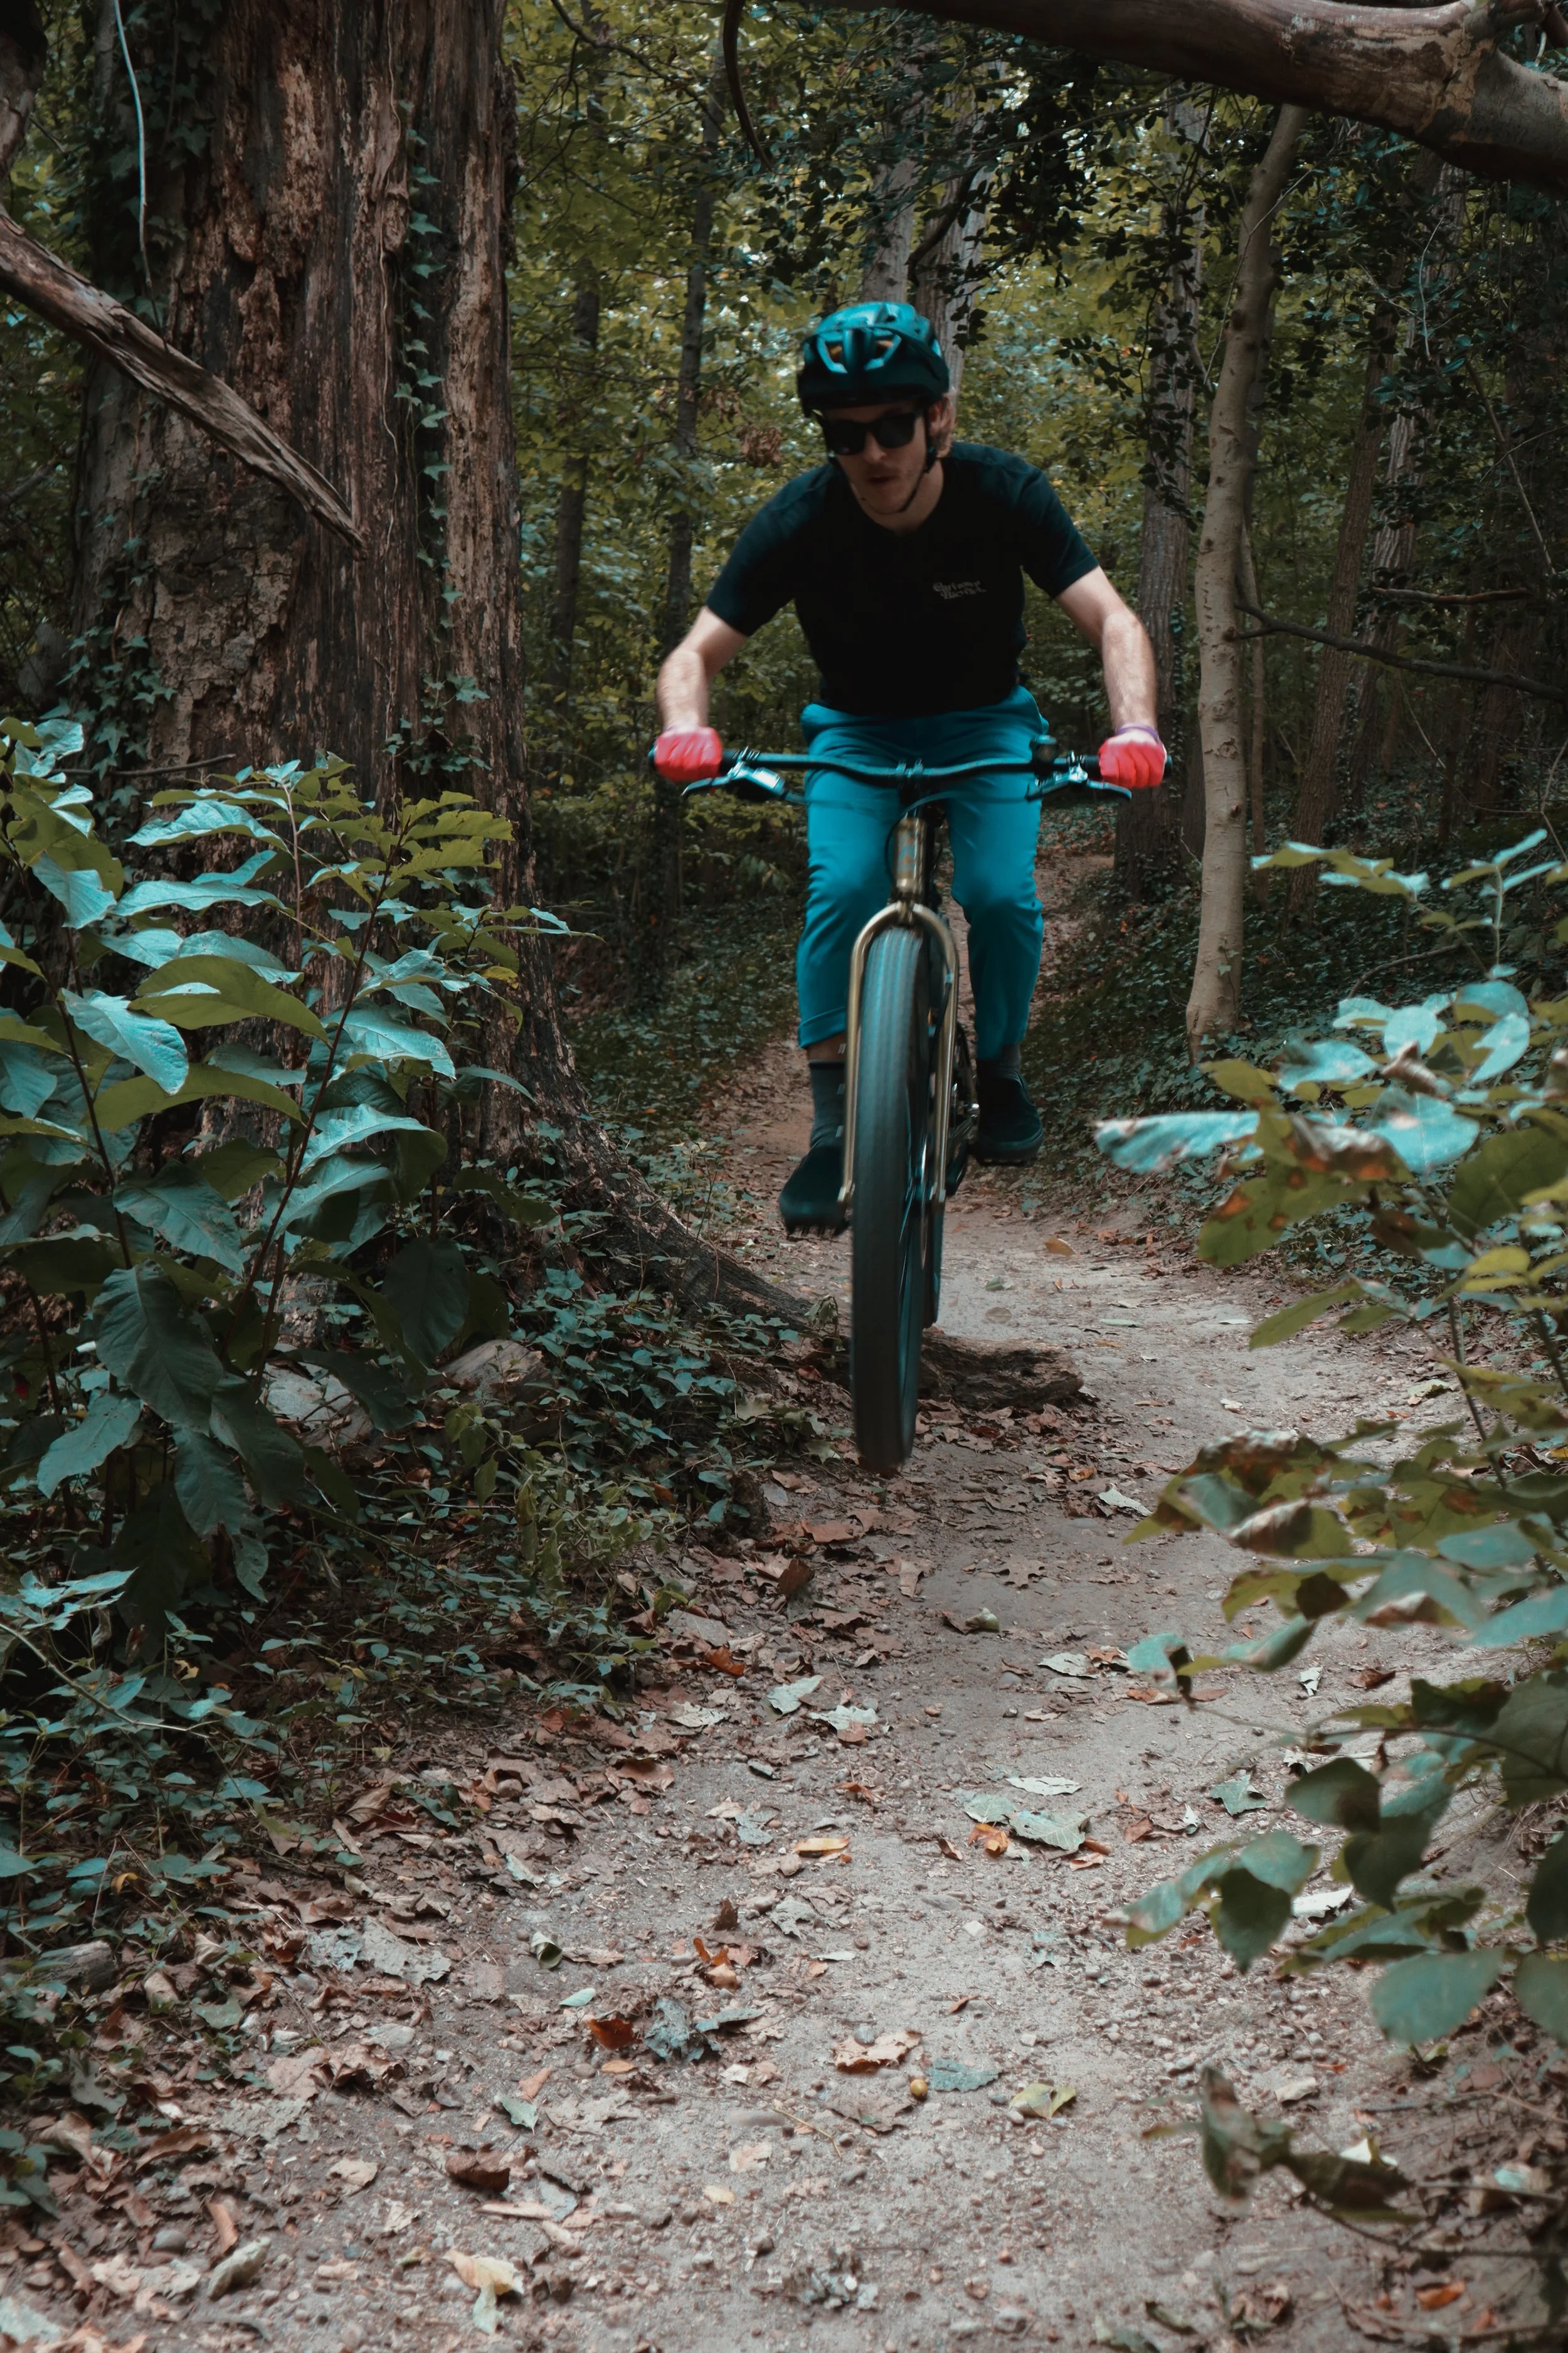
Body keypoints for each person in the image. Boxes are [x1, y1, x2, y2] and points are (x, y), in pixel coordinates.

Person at [653, 299, 1163, 1234]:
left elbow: (1114, 619)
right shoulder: (802, 518)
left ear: (940, 419)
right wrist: (688, 727)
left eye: (895, 424)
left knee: (1003, 895)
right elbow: (693, 655)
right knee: (842, 886)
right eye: (847, 435)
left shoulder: (1003, 494)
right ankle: (834, 1125)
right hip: (855, 735)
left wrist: (1135, 729)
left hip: (985, 729)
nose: (874, 452)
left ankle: (1001, 1069)